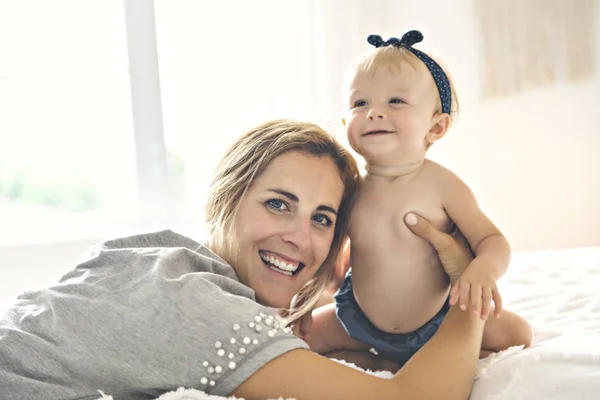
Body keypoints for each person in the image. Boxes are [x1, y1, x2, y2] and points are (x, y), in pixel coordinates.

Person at [1, 119, 484, 400]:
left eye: (321, 219)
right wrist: (467, 290)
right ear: (228, 200)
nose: (298, 237)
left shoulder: (156, 256)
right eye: (278, 204)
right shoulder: (198, 307)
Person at [298, 31, 532, 368]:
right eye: (360, 103)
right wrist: (310, 295)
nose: (374, 112)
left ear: (436, 127)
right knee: (296, 336)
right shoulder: (349, 189)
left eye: (396, 101)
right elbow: (331, 250)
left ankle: (436, 354)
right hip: (359, 321)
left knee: (519, 334)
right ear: (346, 122)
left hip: (439, 321)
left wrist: (482, 271)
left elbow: (493, 241)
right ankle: (372, 358)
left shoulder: (442, 185)